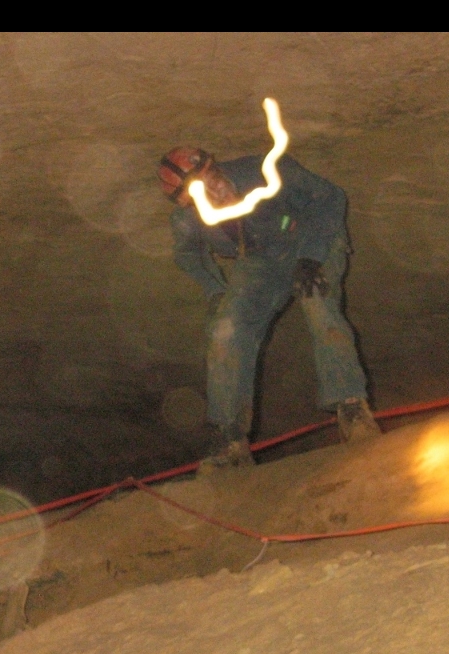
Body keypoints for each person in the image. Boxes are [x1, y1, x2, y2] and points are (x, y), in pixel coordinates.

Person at [158, 145, 379, 470]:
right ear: (186, 202)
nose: (215, 191)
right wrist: (215, 289)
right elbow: (188, 254)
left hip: (310, 237)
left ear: (217, 166)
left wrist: (312, 257)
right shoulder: (187, 219)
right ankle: (230, 439)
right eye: (201, 192)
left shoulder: (263, 170)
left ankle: (352, 408)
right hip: (260, 259)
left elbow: (329, 197)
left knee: (316, 299)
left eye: (213, 179)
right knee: (224, 330)